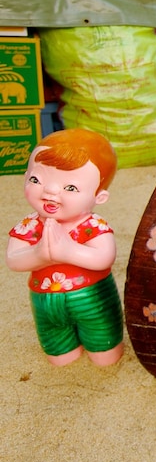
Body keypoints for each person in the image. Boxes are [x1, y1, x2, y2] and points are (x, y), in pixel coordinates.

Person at [6, 129, 122, 367]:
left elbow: (105, 257)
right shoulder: (29, 225)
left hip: (91, 296)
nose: (49, 191)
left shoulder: (92, 225)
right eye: (36, 180)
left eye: (70, 188)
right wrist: (39, 254)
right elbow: (13, 260)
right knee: (59, 354)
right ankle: (62, 348)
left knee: (104, 351)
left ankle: (104, 348)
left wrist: (68, 251)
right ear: (25, 176)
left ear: (99, 197)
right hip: (45, 299)